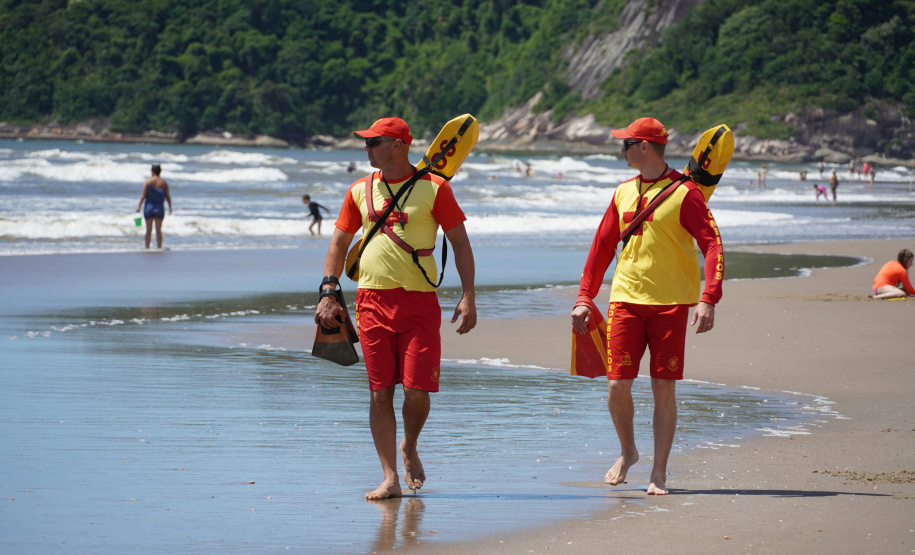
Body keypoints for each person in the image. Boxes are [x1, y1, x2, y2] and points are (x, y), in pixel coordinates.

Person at [314, 117, 477, 500]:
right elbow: (338, 243)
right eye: (366, 142)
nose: (366, 148)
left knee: (418, 392)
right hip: (370, 301)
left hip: (419, 303)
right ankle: (389, 477)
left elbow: (461, 243)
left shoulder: (435, 189)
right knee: (379, 391)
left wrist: (468, 295)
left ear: (399, 145)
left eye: (374, 142)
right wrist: (328, 291)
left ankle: (409, 444)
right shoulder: (359, 189)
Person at [570, 117, 723, 495]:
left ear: (644, 147)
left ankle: (659, 472)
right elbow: (601, 248)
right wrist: (584, 297)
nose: (621, 151)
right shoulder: (622, 192)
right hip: (625, 300)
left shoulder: (686, 193)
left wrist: (709, 298)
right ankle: (628, 452)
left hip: (670, 305)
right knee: (616, 386)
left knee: (662, 391)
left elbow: (713, 245)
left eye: (626, 145)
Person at [136, 164, 172, 249]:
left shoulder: (148, 182)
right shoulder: (163, 183)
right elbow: (167, 196)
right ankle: (159, 247)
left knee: (148, 230)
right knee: (158, 230)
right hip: (159, 207)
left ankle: (147, 247)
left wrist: (139, 206)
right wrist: (170, 207)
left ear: (152, 172)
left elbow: (143, 195)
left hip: (149, 206)